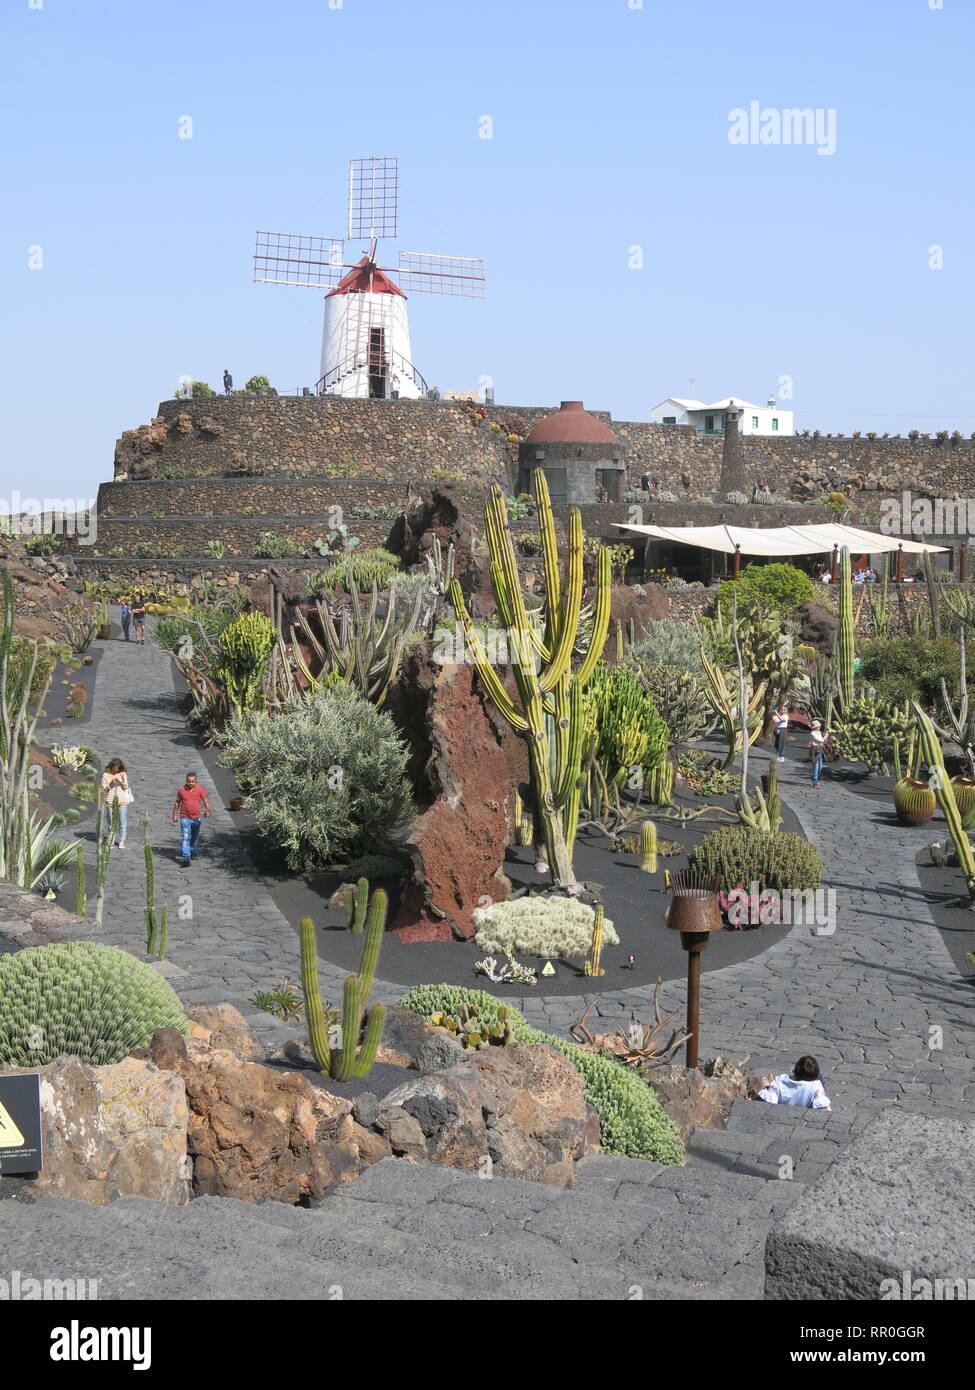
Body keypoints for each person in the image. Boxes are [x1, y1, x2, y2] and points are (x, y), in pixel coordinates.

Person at [758, 1056, 831, 1111]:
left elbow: (770, 1099)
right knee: (821, 1078)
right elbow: (824, 1107)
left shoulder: (780, 1080)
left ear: (796, 1068)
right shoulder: (816, 1087)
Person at [172, 771, 210, 867]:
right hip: (184, 817)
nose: (191, 783)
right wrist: (174, 814)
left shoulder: (200, 789)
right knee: (185, 837)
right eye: (189, 781)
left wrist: (207, 810)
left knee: (194, 836)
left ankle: (193, 851)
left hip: (196, 818)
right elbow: (177, 803)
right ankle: (186, 858)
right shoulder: (181, 790)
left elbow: (205, 800)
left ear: (195, 781)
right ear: (186, 780)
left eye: (193, 781)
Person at [101, 758, 133, 849]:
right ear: (111, 766)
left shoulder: (122, 774)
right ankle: (111, 840)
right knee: (111, 822)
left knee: (122, 821)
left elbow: (126, 787)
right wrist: (111, 783)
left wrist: (121, 781)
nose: (116, 770)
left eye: (118, 768)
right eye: (115, 768)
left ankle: (122, 840)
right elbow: (105, 789)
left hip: (122, 799)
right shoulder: (106, 775)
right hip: (110, 800)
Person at [808, 719, 829, 788]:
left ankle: (816, 779)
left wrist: (827, 736)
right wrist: (827, 734)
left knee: (820, 767)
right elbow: (821, 740)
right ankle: (815, 782)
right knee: (816, 767)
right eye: (819, 726)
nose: (820, 727)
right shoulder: (813, 733)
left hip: (820, 750)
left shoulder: (819, 732)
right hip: (815, 751)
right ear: (816, 727)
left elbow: (823, 741)